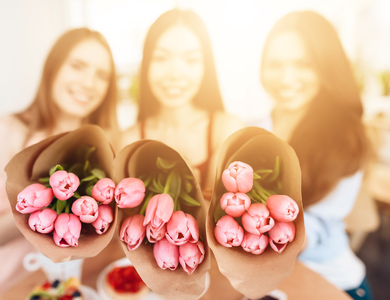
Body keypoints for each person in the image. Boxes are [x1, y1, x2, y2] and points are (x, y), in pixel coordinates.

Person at [0, 27, 119, 300]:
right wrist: (43, 197)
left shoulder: (106, 144)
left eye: (102, 75)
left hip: (87, 284)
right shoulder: (3, 132)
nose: (89, 83)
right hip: (21, 289)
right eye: (77, 66)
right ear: (53, 68)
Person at [260, 11, 371, 299]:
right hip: (266, 279)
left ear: (325, 67)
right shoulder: (253, 128)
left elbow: (315, 229)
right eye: (275, 65)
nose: (287, 79)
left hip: (330, 282)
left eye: (303, 65)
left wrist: (256, 225)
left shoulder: (345, 139)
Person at [121, 9, 243, 191]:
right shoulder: (128, 141)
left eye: (191, 60)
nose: (175, 73)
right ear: (146, 64)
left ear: (205, 68)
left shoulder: (227, 131)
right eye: (161, 58)